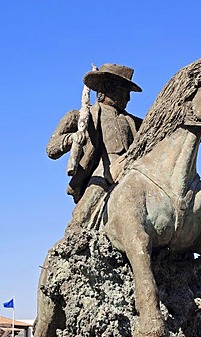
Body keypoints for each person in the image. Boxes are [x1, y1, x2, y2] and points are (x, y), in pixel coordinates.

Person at [46, 64, 143, 226]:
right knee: (84, 213)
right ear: (108, 88)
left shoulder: (134, 122)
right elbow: (51, 149)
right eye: (125, 91)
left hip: (135, 167)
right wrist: (72, 138)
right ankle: (76, 234)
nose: (128, 98)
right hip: (106, 171)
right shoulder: (80, 116)